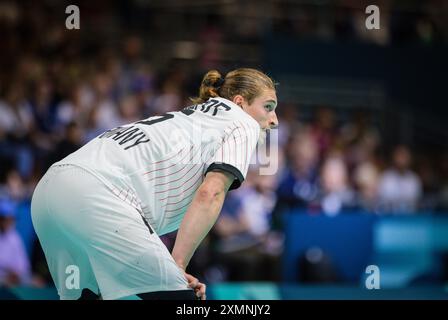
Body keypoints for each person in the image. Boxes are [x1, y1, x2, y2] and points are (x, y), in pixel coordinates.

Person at [30, 68, 279, 300]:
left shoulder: (190, 119)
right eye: (268, 107)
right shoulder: (242, 122)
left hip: (49, 191)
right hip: (97, 194)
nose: (274, 120)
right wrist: (177, 265)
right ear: (239, 103)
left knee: (89, 295)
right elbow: (211, 193)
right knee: (184, 303)